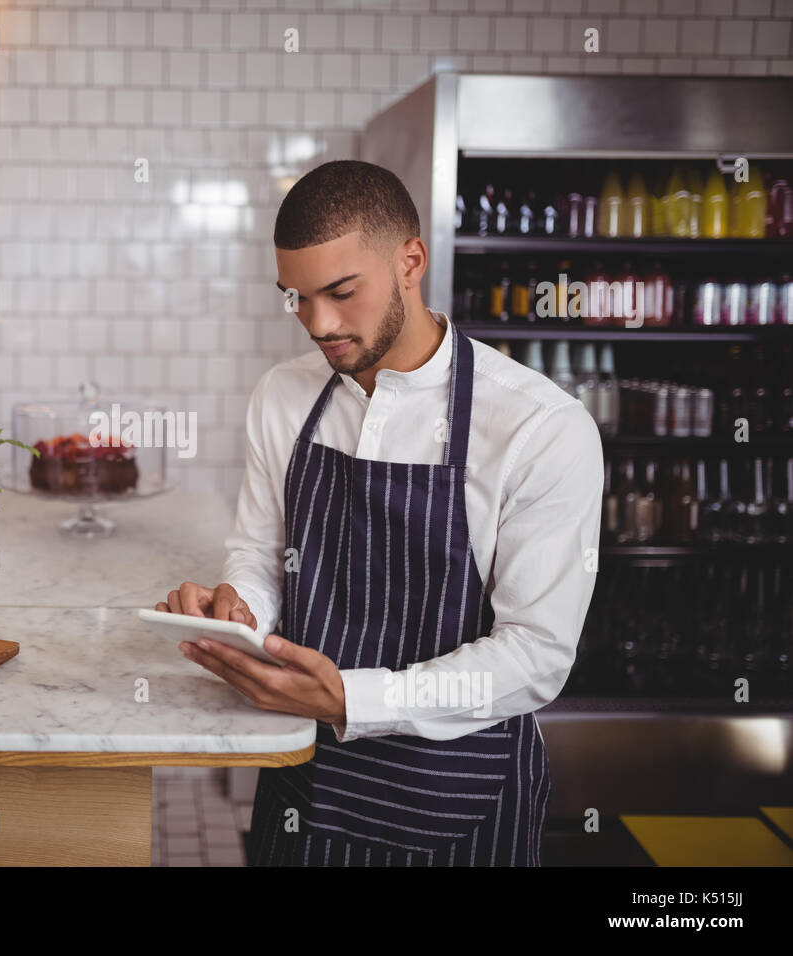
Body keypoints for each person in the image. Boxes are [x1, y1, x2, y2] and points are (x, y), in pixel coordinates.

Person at [156, 160, 603, 867]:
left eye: (340, 292)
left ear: (410, 262)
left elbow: (536, 656)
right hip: (307, 786)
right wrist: (241, 611)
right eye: (296, 298)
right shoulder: (284, 396)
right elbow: (262, 555)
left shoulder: (540, 426)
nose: (318, 324)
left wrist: (351, 700)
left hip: (461, 802)